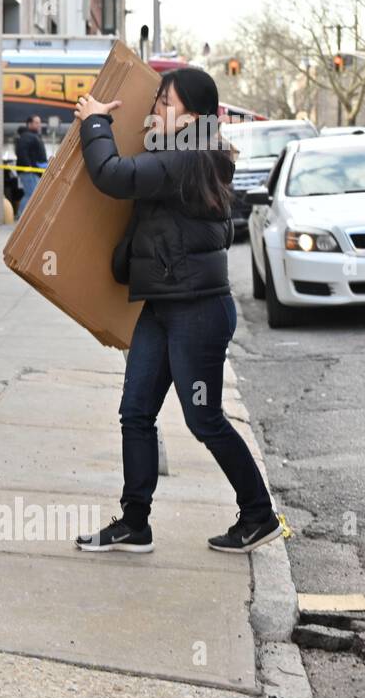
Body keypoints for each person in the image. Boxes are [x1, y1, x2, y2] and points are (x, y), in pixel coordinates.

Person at [72, 68, 284, 554]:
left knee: (203, 419)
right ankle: (134, 523)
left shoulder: (188, 155)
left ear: (194, 116)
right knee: (136, 412)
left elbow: (113, 176)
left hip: (198, 314)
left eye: (165, 104)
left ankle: (259, 515)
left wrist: (96, 122)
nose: (154, 111)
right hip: (165, 305)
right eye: (157, 102)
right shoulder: (178, 151)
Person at [14, 114, 47, 218]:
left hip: (34, 171)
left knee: (32, 194)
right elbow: (21, 152)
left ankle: (24, 217)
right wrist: (28, 166)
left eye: (39, 122)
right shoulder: (26, 136)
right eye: (36, 122)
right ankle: (21, 217)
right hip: (28, 171)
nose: (39, 125)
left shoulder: (33, 136)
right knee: (31, 194)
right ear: (29, 124)